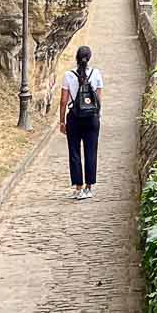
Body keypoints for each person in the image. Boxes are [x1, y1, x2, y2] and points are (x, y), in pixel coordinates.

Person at [59, 44, 103, 200]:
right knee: (91, 151)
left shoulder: (68, 75)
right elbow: (98, 99)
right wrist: (99, 116)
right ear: (89, 58)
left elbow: (63, 101)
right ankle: (89, 188)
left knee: (74, 152)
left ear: (76, 58)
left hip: (74, 118)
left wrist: (62, 121)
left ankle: (78, 188)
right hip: (92, 118)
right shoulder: (96, 74)